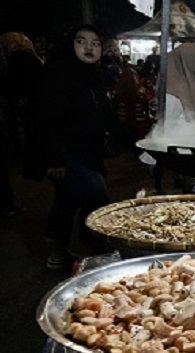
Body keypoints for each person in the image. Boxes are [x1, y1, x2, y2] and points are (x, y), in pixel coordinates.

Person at [33, 24, 134, 270]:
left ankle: (67, 248)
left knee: (68, 199)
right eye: (81, 41)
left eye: (95, 43)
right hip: (66, 152)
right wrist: (54, 159)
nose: (89, 48)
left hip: (89, 151)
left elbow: (109, 117)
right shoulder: (58, 75)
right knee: (95, 194)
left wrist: (137, 145)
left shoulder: (93, 76)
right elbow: (46, 120)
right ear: (71, 45)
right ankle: (78, 246)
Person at [0, 32, 43, 216]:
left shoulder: (17, 58)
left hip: (24, 106)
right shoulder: (29, 57)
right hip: (32, 106)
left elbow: (12, 84)